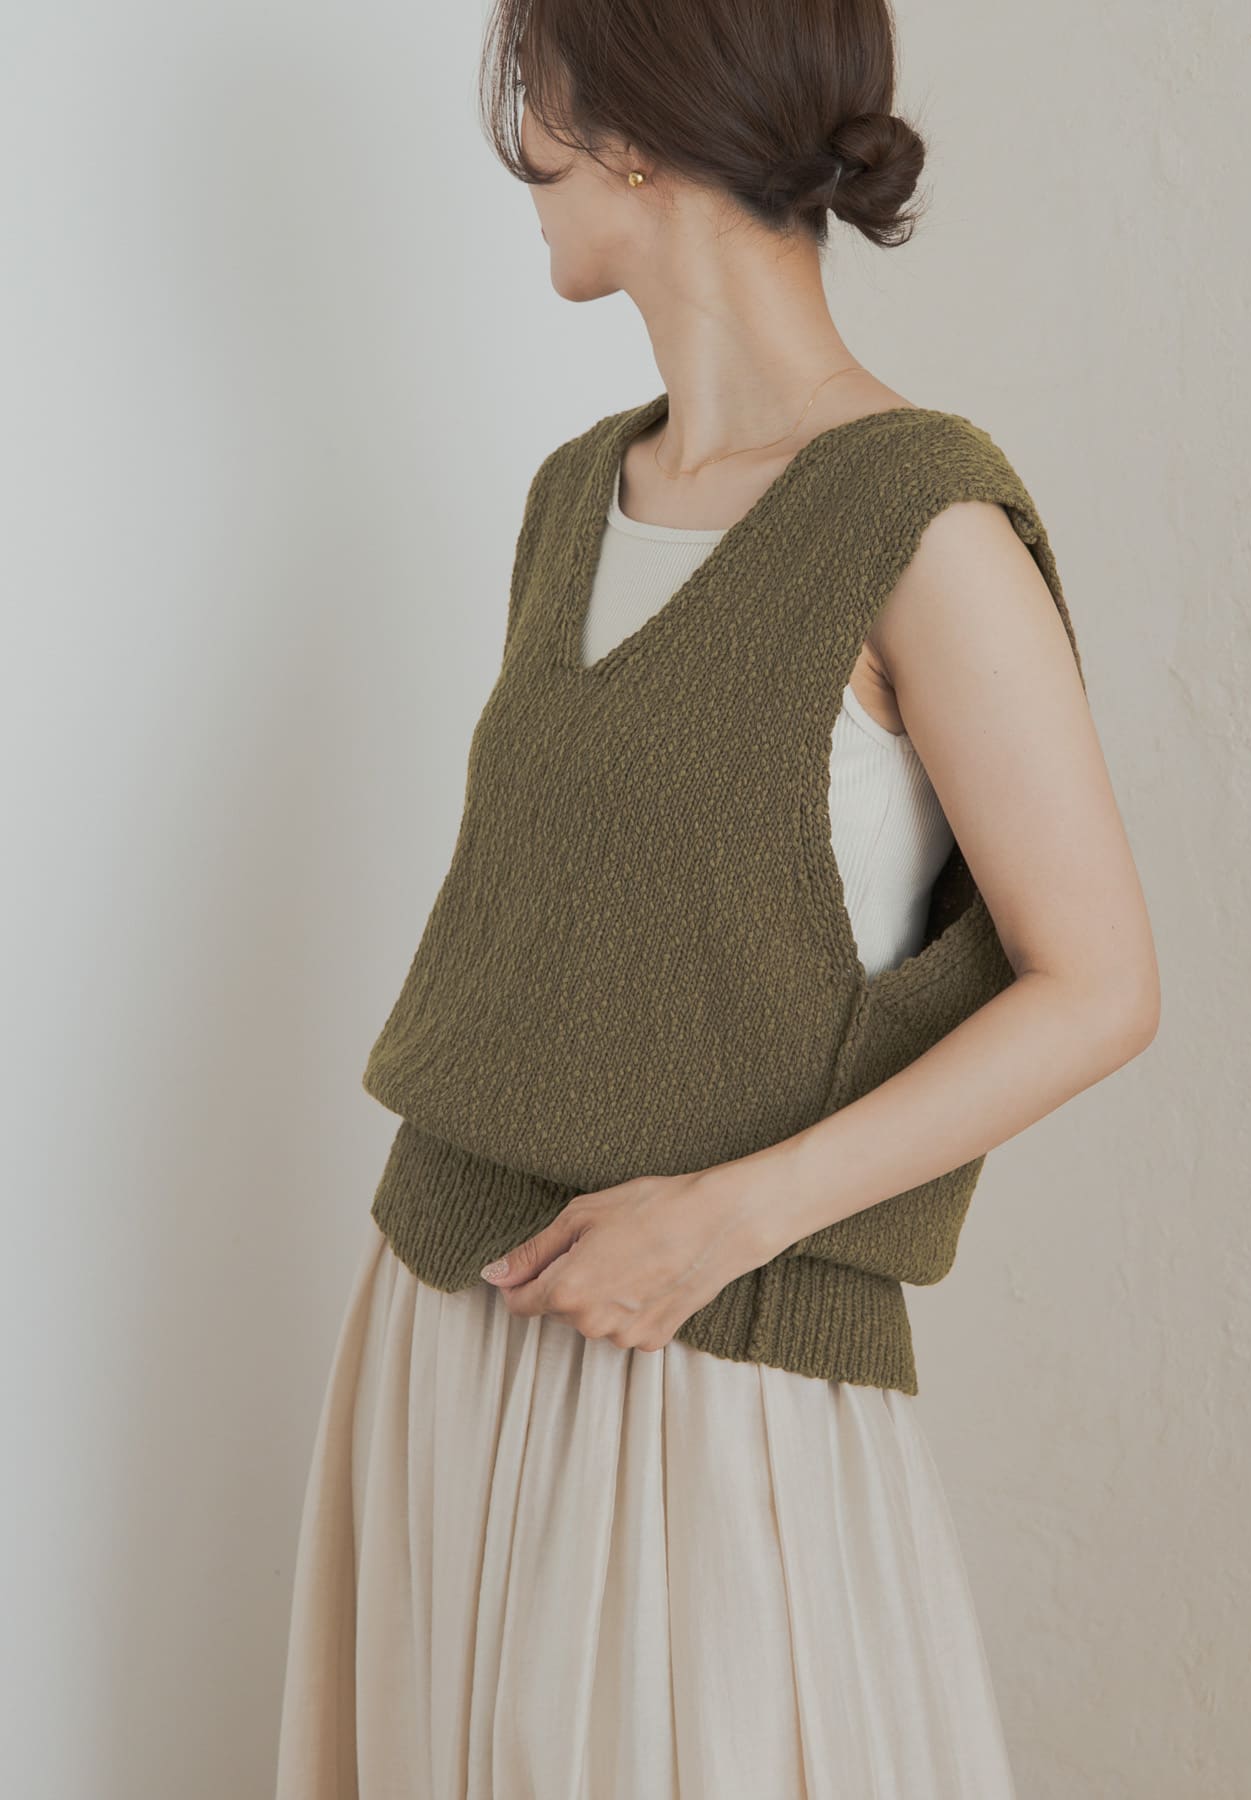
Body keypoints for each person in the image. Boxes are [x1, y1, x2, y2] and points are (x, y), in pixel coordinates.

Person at [273, 0, 1159, 1794]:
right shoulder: (572, 500)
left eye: (536, 97)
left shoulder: (922, 524)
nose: (518, 155)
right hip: (444, 1324)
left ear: (628, 129)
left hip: (709, 1365)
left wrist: (732, 1222)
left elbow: (1098, 984)